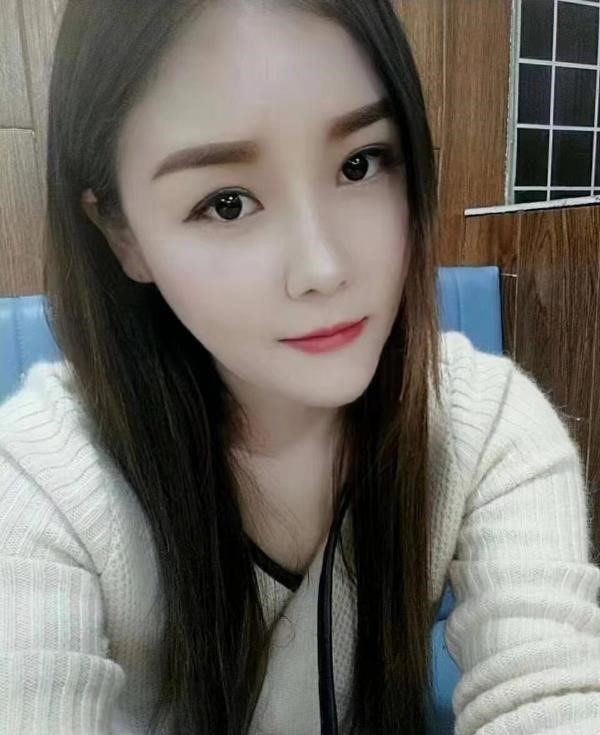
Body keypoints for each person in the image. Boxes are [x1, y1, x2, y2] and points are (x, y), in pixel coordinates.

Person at [2, 0, 600, 733]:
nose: (322, 267)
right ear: (123, 235)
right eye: (227, 203)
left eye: (359, 163)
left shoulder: (487, 426)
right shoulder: (42, 484)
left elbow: (549, 693)